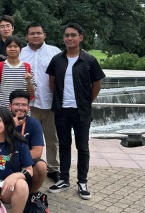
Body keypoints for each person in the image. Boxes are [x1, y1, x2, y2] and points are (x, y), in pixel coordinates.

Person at [46, 23, 105, 200]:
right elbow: (52, 83)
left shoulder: (89, 60)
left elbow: (97, 84)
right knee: (63, 145)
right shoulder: (57, 60)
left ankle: (82, 181)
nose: (69, 38)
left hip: (81, 111)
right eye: (66, 35)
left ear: (81, 37)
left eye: (73, 35)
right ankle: (64, 179)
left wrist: (87, 102)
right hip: (62, 110)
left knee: (83, 147)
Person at [20, 22, 61, 183]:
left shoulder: (55, 52)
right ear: (26, 36)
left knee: (53, 138)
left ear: (45, 35)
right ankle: (29, 166)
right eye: (32, 33)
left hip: (51, 102)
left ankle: (53, 168)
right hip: (29, 105)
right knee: (27, 137)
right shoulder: (20, 53)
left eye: (38, 33)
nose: (35, 36)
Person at [9, 89, 47, 193]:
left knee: (41, 166)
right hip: (3, 160)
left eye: (24, 105)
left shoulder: (34, 124)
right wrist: (10, 128)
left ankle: (32, 194)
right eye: (16, 104)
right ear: (10, 106)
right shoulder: (2, 121)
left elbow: (37, 152)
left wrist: (17, 158)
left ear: (28, 107)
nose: (20, 108)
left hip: (24, 161)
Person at [0, 36, 36, 108]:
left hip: (22, 111)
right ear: (5, 49)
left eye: (15, 46)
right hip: (3, 111)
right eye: (9, 46)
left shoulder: (27, 68)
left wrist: (29, 81)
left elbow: (32, 93)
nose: (12, 49)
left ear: (20, 49)